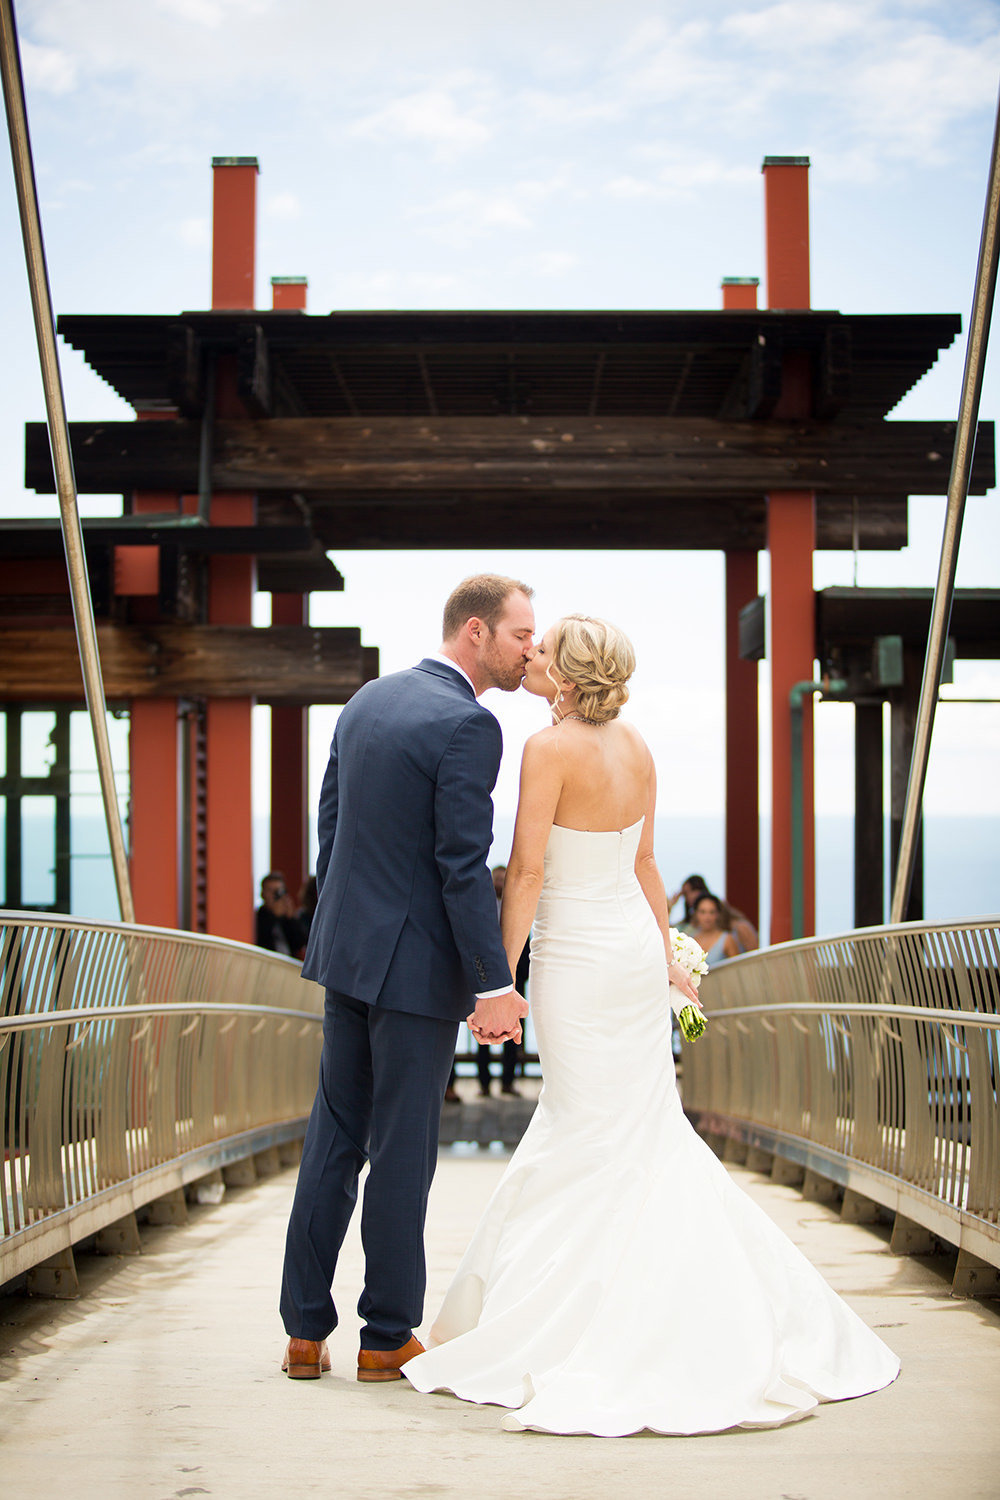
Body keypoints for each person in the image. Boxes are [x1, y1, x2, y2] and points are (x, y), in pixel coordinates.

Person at [405, 613, 899, 1435]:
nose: (530, 654)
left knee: (582, 1125)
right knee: (635, 1126)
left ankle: (579, 1320)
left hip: (575, 958)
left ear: (563, 674)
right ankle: (691, 1309)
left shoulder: (547, 750)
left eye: (543, 648)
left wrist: (497, 978)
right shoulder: (637, 748)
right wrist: (667, 953)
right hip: (631, 955)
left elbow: (527, 870)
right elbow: (644, 863)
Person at [279, 574, 534, 1383]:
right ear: (474, 633)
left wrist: (340, 925)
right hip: (416, 971)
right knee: (400, 1152)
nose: (532, 649)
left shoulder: (367, 701)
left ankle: (303, 1334)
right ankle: (387, 1334)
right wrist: (494, 982)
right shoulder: (469, 724)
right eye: (521, 635)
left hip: (345, 954)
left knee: (334, 1137)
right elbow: (461, 868)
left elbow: (331, 825)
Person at [477, 866, 529, 1097]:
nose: (499, 882)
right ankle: (484, 1084)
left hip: (515, 980)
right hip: (484, 980)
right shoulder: (482, 909)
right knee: (482, 1031)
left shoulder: (517, 908)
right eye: (496, 878)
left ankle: (508, 1082)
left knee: (515, 1033)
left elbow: (526, 943)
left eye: (502, 878)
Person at [255, 872, 308, 958]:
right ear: (263, 894)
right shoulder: (258, 917)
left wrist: (291, 918)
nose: (275, 895)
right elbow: (262, 941)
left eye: (279, 891)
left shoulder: (287, 917)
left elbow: (301, 942)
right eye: (271, 891)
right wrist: (274, 916)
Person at [690, 890, 741, 964]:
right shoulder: (690, 939)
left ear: (717, 914)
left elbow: (737, 967)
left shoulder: (727, 939)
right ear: (696, 913)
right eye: (702, 912)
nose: (707, 917)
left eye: (712, 912)